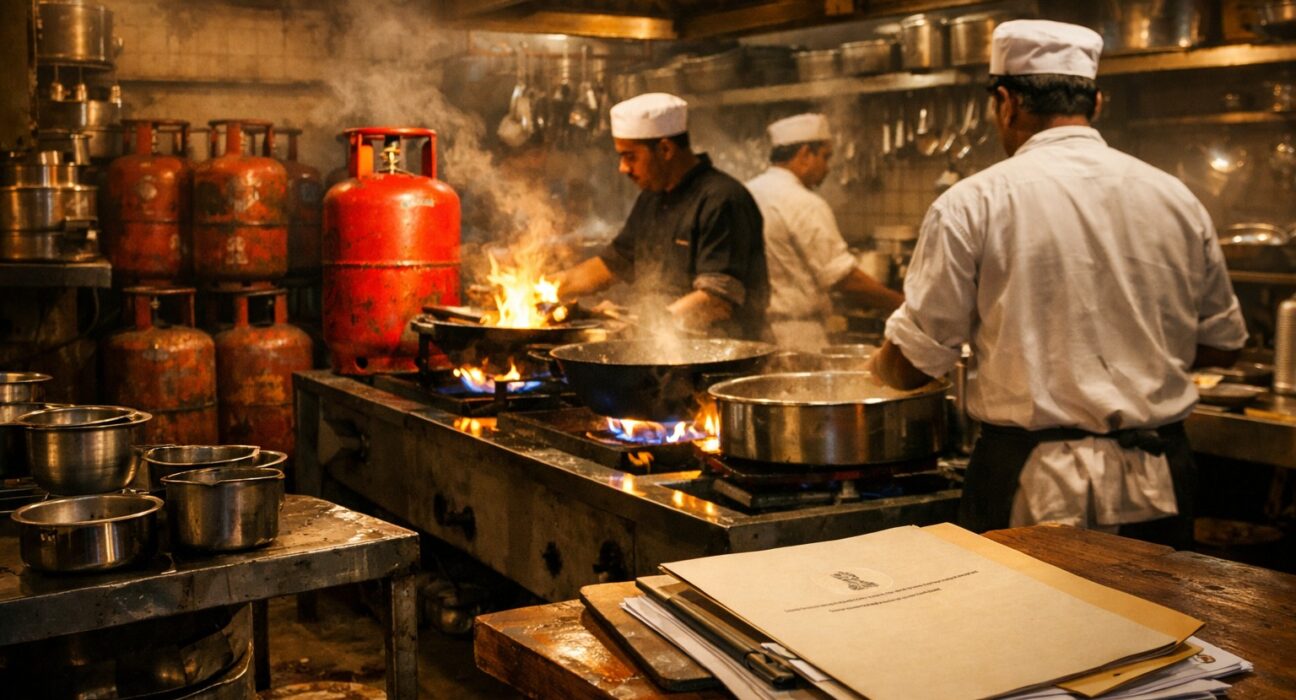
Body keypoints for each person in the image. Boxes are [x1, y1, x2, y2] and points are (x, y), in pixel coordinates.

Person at [869, 20, 1247, 547]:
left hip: (1032, 485)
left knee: (1024, 627)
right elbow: (1222, 348)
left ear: (1006, 102)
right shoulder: (1177, 199)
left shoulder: (972, 202)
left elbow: (914, 365)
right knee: (1156, 625)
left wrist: (877, 367)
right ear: (1096, 101)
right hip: (1158, 480)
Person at [554, 93, 770, 340]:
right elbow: (614, 264)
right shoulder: (652, 197)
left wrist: (639, 325)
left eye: (630, 156)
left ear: (666, 149)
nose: (623, 168)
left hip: (718, 357)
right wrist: (541, 290)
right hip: (661, 349)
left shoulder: (721, 199)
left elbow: (717, 300)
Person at [745, 113, 903, 351]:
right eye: (825, 157)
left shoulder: (747, 191)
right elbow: (844, 279)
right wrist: (902, 304)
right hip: (797, 337)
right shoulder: (803, 202)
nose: (828, 168)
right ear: (805, 154)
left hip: (754, 333)